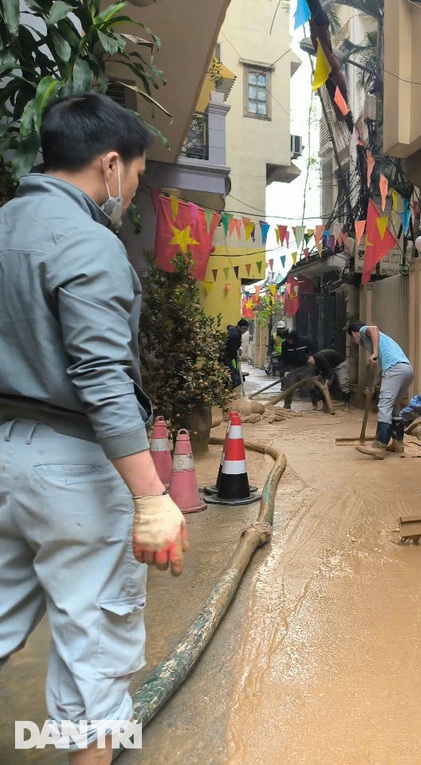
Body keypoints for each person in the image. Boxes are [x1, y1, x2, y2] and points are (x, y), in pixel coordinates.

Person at [0, 93, 188, 763]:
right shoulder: (87, 244)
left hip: (4, 456)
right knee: (95, 659)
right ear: (110, 165)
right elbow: (103, 379)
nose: (132, 189)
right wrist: (150, 496)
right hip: (73, 469)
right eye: (136, 174)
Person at [348, 322, 414, 458]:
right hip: (406, 370)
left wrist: (375, 353)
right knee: (395, 406)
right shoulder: (383, 341)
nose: (356, 342)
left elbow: (373, 328)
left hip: (395, 370)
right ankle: (398, 442)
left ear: (354, 334)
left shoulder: (364, 332)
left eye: (353, 339)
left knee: (384, 406)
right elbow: (385, 369)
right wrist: (373, 385)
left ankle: (379, 445)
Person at [221, 317, 249, 390]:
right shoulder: (234, 335)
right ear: (239, 327)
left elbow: (229, 326)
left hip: (227, 357)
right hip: (226, 358)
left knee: (237, 376)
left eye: (246, 329)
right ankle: (225, 390)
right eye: (244, 328)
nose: (244, 331)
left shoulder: (234, 330)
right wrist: (236, 356)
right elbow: (232, 349)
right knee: (237, 379)